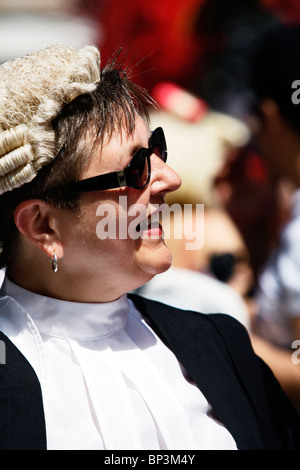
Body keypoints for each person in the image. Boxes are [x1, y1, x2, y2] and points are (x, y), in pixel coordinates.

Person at [0, 45, 299, 451]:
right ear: (43, 226)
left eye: (157, 150)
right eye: (135, 168)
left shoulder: (218, 344)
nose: (170, 179)